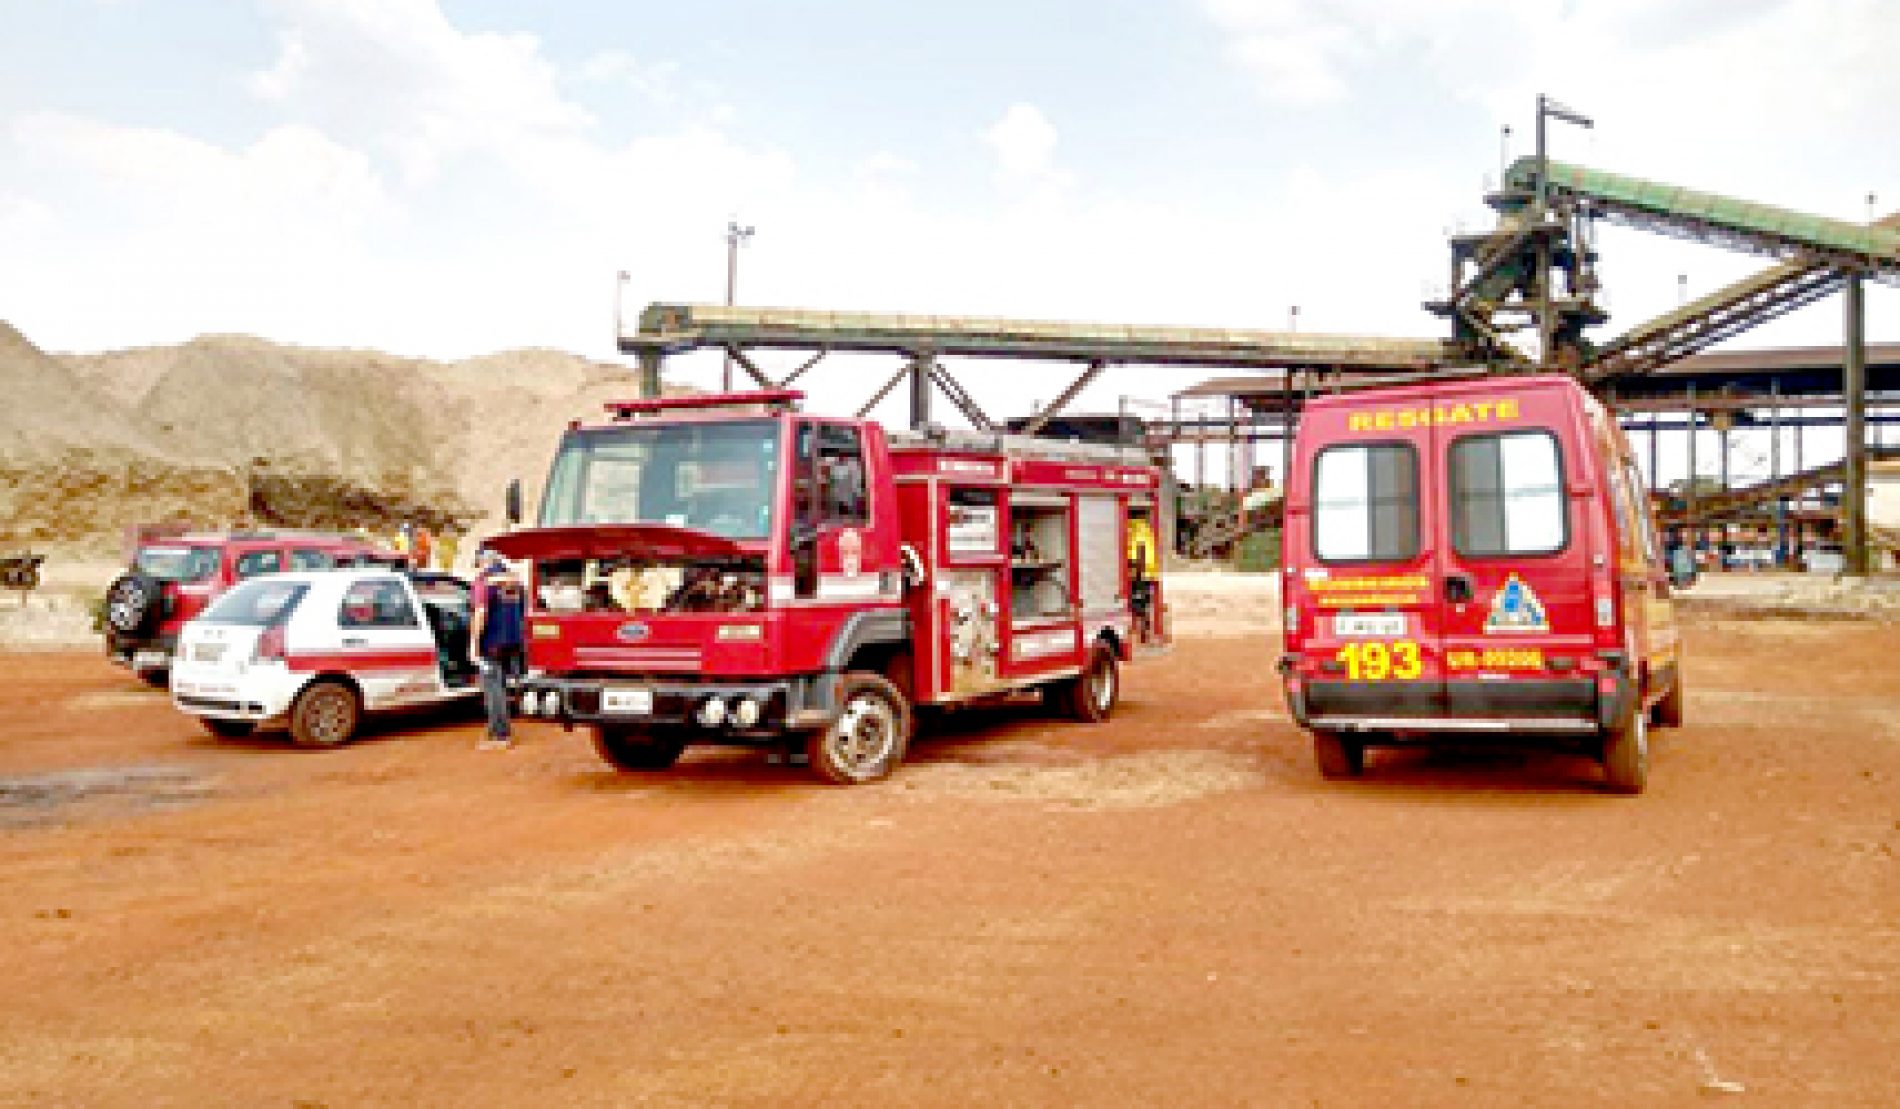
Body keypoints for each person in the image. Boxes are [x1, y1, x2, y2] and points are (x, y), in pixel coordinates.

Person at [468, 550, 527, 750]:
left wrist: (474, 644)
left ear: (481, 562)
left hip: (491, 642)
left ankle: (499, 735)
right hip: (513, 642)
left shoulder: (483, 582)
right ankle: (501, 729)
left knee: (493, 688)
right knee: (501, 685)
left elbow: (480, 613)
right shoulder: (514, 582)